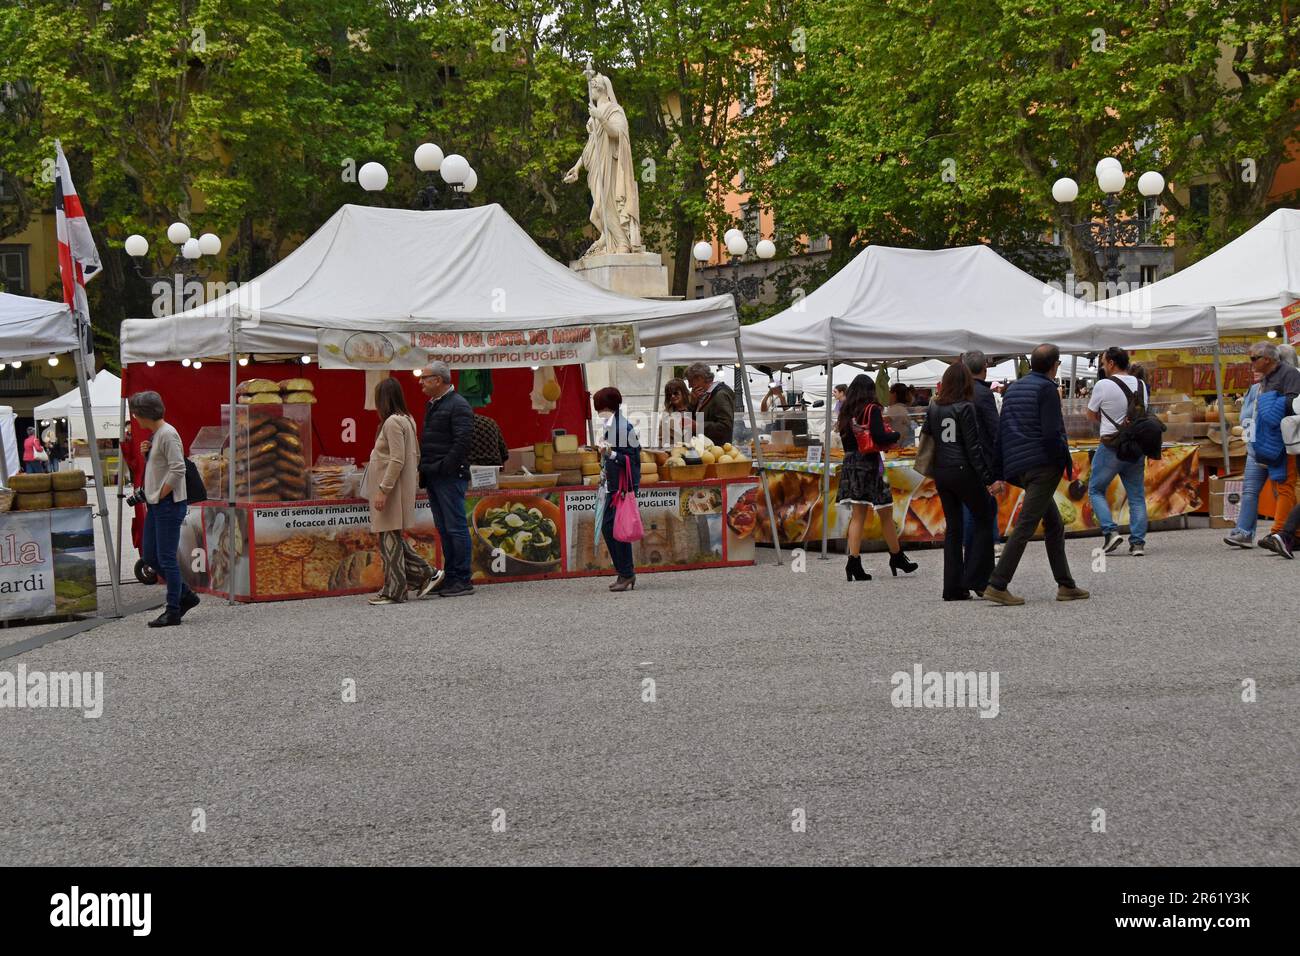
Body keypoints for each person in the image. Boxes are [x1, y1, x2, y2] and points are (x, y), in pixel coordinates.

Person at [983, 344, 1089, 605]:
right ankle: (998, 583)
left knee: (1053, 523)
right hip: (1042, 465)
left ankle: (1066, 585)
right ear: (1055, 365)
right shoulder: (1047, 389)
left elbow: (1001, 433)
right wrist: (1062, 461)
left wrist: (997, 471)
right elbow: (1053, 431)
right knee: (1026, 525)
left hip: (1018, 466)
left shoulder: (1014, 388)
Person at [922, 362, 996, 600]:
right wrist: (987, 478)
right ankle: (978, 578)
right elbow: (973, 448)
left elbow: (927, 436)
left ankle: (952, 587)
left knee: (953, 529)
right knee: (984, 517)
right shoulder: (966, 407)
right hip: (964, 470)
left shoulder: (933, 407)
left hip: (942, 471)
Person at [366, 379, 442, 605]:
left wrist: (383, 490)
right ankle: (425, 574)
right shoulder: (408, 419)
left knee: (389, 539)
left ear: (383, 399)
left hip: (392, 490)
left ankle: (396, 590)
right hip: (401, 489)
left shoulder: (391, 422)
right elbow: (414, 456)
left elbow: (397, 459)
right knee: (392, 539)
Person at [128, 390, 200, 627]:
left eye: (136, 414)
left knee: (166, 558)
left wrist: (159, 495)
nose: (135, 419)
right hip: (158, 504)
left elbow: (178, 469)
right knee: (150, 555)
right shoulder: (160, 434)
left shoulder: (167, 434)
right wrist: (149, 454)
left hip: (167, 504)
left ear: (143, 414)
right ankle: (185, 595)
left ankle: (174, 609)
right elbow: (165, 466)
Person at [836, 374, 917, 581]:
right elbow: (880, 437)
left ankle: (854, 562)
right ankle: (896, 556)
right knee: (885, 511)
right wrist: (896, 435)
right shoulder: (872, 409)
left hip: (851, 463)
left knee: (859, 515)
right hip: (870, 464)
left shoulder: (845, 411)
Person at [417, 362, 475, 598]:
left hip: (448, 476)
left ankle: (462, 578)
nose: (420, 382)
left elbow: (462, 442)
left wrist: (443, 467)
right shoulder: (436, 404)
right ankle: (451, 576)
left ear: (439, 380)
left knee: (456, 527)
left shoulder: (457, 405)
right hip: (435, 474)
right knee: (445, 528)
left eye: (425, 378)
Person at [1086, 346, 1149, 557]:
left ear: (1111, 363)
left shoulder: (1103, 385)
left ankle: (1110, 531)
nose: (1103, 366)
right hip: (1136, 446)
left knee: (1095, 489)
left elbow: (1091, 414)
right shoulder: (1141, 384)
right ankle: (1138, 543)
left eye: (1104, 362)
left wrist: (1107, 420)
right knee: (1137, 496)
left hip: (1111, 446)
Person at [1251, 341, 1300, 554]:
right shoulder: (1268, 378)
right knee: (1283, 485)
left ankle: (1281, 532)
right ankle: (1285, 533)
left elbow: (1293, 403)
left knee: (1286, 485)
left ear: (1268, 359)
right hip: (1274, 438)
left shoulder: (1289, 374)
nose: (1251, 362)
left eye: (1254, 358)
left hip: (1287, 439)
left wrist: (1269, 405)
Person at [959, 350, 1004, 563]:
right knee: (980, 508)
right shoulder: (983, 394)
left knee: (970, 506)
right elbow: (994, 430)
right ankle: (976, 552)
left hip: (959, 459)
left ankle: (972, 550)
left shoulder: (957, 392)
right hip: (981, 457)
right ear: (985, 370)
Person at [594, 386, 640, 592]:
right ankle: (624, 572)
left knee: (614, 530)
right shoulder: (613, 425)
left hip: (622, 488)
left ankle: (626, 573)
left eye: (599, 408)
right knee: (612, 529)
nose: (597, 413)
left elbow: (632, 458)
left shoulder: (623, 428)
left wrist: (610, 454)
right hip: (614, 485)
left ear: (608, 407)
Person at [1224, 369, 1267, 549]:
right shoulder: (1253, 389)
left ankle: (1286, 533)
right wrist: (1250, 440)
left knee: (1283, 492)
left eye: (1260, 367)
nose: (1255, 370)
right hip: (1255, 448)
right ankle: (1244, 532)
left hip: (1276, 447)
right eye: (1254, 367)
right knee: (1249, 491)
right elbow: (1244, 418)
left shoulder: (1279, 388)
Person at [685, 362, 735, 446]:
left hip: (718, 451)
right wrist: (692, 404)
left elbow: (726, 427)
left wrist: (698, 426)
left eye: (690, 381)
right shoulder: (702, 395)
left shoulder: (720, 395)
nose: (689, 386)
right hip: (705, 449)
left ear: (699, 378)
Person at [659, 378, 696, 446]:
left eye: (675, 393)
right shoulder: (666, 414)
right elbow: (661, 439)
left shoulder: (695, 406)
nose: (672, 396)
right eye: (669, 394)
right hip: (675, 452)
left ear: (683, 392)